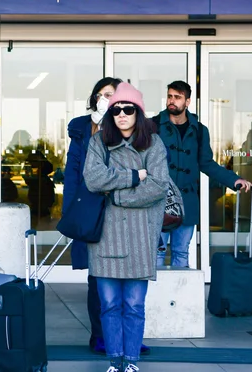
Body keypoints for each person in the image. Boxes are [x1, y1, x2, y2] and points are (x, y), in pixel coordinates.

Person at [84, 82, 172, 372]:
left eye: (128, 109)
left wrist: (117, 194)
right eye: (116, 109)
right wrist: (135, 176)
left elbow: (158, 186)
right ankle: (114, 361)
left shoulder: (154, 144)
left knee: (134, 305)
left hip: (140, 235)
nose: (122, 114)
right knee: (109, 305)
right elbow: (93, 180)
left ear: (139, 113)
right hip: (106, 237)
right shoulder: (98, 142)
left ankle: (131, 361)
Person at [64, 77, 147, 357]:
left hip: (125, 210)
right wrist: (71, 214)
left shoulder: (133, 129)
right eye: (100, 95)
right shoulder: (82, 130)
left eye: (109, 94)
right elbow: (73, 175)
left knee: (130, 277)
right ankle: (100, 336)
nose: (104, 99)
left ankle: (129, 338)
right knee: (98, 278)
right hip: (92, 210)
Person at [154, 80, 252, 267]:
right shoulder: (153, 126)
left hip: (187, 203)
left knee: (181, 253)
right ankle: (153, 297)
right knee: (156, 254)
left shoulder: (199, 131)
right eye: (169, 96)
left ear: (188, 101)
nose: (171, 101)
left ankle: (179, 296)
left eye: (177, 97)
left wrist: (234, 180)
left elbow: (207, 164)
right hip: (158, 202)